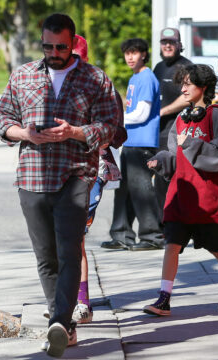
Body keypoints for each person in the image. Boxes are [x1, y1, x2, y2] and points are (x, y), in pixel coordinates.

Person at [0, 14, 120, 358]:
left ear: (72, 42)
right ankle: (63, 324)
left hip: (75, 175)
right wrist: (25, 133)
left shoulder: (95, 79)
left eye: (60, 46)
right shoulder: (22, 75)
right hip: (32, 176)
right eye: (47, 45)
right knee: (45, 257)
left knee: (68, 253)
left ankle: (62, 323)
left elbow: (110, 125)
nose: (53, 52)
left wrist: (75, 132)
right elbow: (3, 116)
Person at [142, 64, 218, 316]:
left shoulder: (216, 116)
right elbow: (175, 155)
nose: (183, 88)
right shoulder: (180, 119)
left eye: (189, 83)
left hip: (207, 196)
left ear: (204, 87)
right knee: (171, 245)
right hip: (181, 194)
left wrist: (189, 143)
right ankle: (164, 298)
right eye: (182, 83)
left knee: (217, 247)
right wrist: (161, 161)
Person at [70, 35, 127, 324]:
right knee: (59, 241)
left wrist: (98, 135)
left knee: (75, 239)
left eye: (74, 59)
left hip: (90, 172)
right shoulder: (51, 85)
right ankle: (65, 300)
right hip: (56, 171)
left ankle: (81, 303)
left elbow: (119, 133)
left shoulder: (101, 87)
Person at [102, 38, 164, 251]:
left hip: (143, 142)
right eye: (127, 53)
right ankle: (121, 234)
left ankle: (152, 236)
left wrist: (116, 121)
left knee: (141, 190)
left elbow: (142, 113)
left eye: (134, 53)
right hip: (131, 141)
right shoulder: (135, 77)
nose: (130, 57)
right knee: (124, 189)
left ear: (144, 55)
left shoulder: (147, 78)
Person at [153, 27, 193, 217]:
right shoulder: (159, 67)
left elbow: (188, 97)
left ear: (179, 44)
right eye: (164, 42)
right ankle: (164, 226)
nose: (167, 45)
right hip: (156, 132)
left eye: (171, 42)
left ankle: (178, 224)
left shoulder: (186, 67)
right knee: (159, 182)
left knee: (173, 181)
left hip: (176, 133)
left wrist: (163, 111)